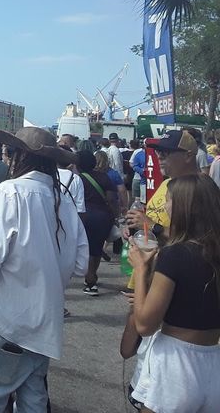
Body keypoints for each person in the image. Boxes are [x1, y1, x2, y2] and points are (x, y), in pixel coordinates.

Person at [0, 128, 88, 412]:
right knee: (33, 402)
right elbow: (80, 264)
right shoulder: (63, 199)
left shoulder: (12, 190)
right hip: (45, 325)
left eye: (9, 154)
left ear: (20, 156)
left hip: (8, 322)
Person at [128, 174, 220, 411]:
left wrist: (140, 270)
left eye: (168, 200)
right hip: (213, 359)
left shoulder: (175, 255)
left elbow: (145, 324)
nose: (165, 205)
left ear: (183, 207)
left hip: (176, 365)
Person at [75, 150, 118, 296]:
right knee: (96, 248)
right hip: (102, 217)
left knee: (84, 248)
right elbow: (112, 199)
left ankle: (89, 279)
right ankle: (92, 278)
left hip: (82, 217)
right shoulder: (104, 177)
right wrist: (115, 216)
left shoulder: (77, 179)